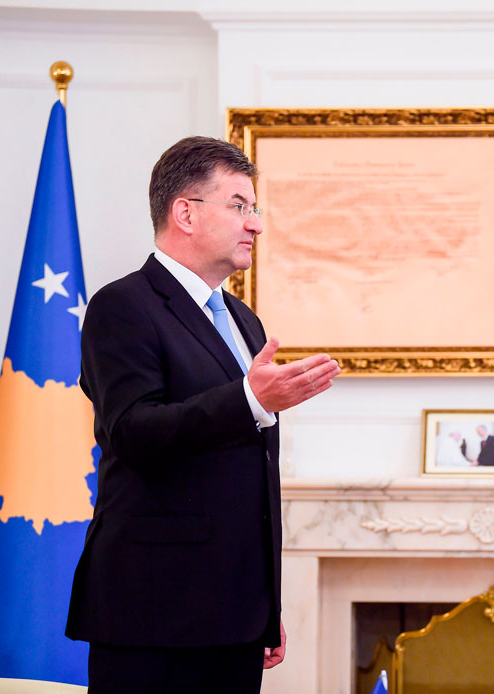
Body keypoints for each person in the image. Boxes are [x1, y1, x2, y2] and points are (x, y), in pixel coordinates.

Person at [65, 136, 341, 693]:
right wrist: (250, 401)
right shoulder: (122, 306)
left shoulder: (244, 320)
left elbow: (252, 482)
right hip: (153, 615)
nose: (255, 224)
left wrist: (265, 605)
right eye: (239, 206)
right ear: (185, 213)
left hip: (236, 617)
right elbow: (133, 433)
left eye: (255, 208)